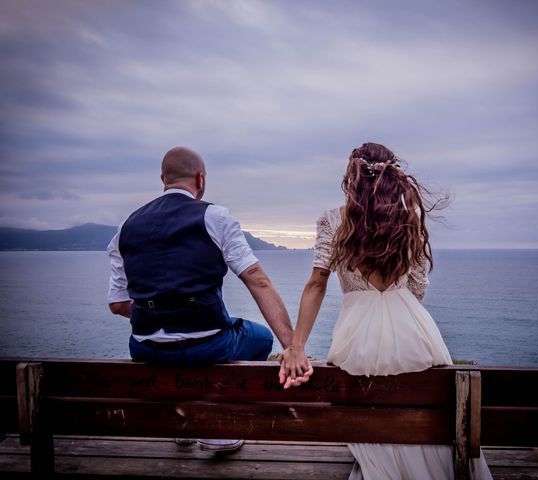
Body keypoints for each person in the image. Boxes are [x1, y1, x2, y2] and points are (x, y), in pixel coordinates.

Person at [278, 143, 493, 479]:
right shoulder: (411, 220)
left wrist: (297, 346)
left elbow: (317, 283)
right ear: (393, 175)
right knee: (420, 405)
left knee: (368, 410)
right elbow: (418, 288)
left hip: (356, 333)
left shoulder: (334, 220)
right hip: (412, 326)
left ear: (352, 175)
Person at [107, 146, 300, 453]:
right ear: (201, 179)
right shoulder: (215, 216)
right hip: (207, 346)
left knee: (179, 350)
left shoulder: (125, 228)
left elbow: (118, 305)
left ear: (163, 179)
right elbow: (258, 281)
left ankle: (184, 424)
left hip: (145, 347)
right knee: (260, 338)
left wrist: (163, 315)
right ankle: (218, 426)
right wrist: (292, 346)